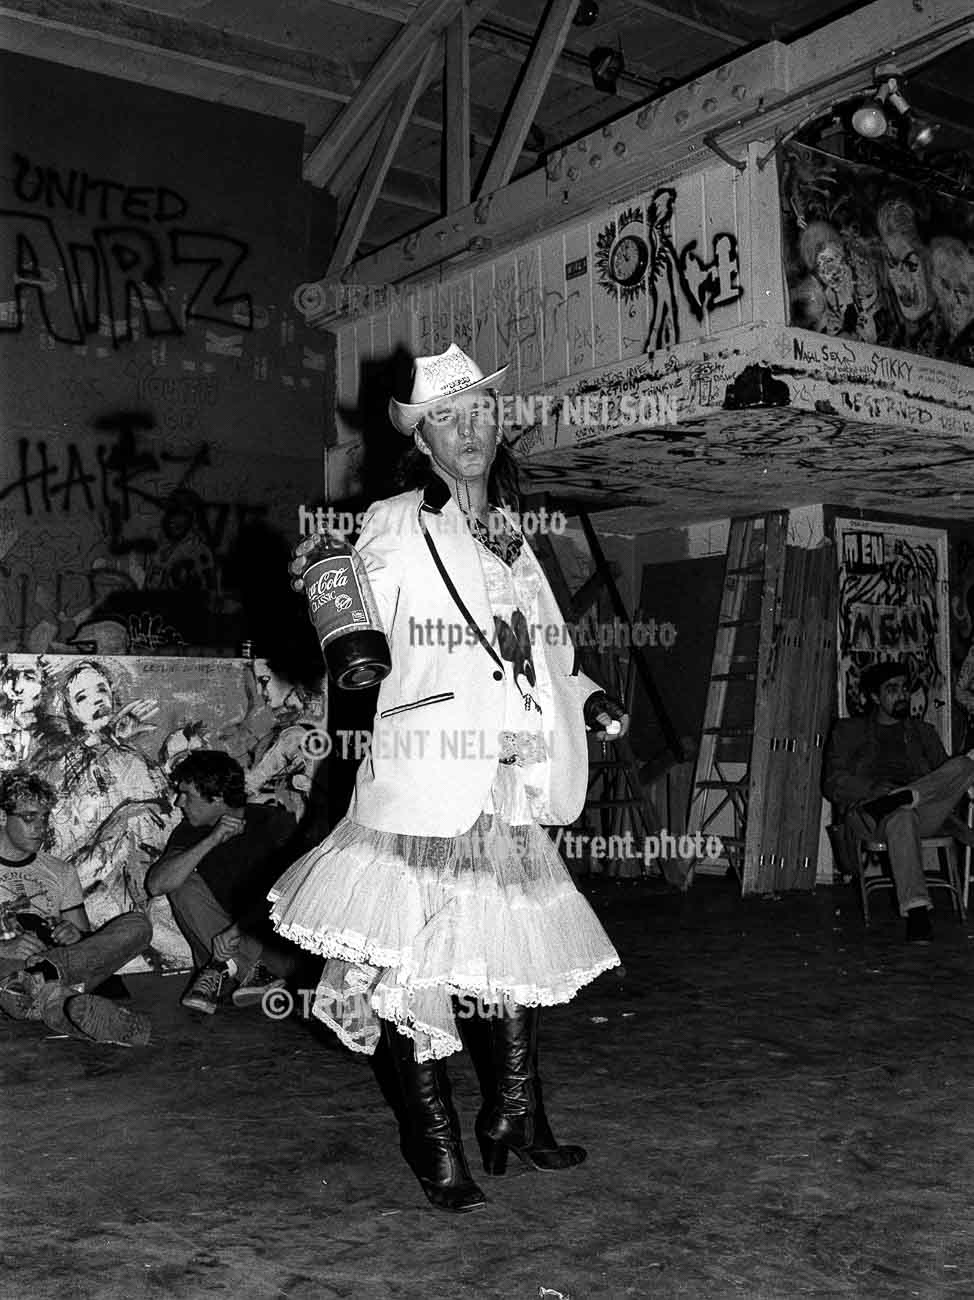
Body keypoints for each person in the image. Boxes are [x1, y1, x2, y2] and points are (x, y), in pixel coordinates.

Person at [268, 342, 629, 1214]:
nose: (470, 429)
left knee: (508, 967)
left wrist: (584, 696)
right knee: (410, 974)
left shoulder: (516, 531)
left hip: (509, 789)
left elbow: (539, 655)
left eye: (481, 412)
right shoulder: (396, 520)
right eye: (448, 417)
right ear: (422, 438)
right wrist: (320, 587)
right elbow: (358, 609)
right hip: (428, 788)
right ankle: (434, 1145)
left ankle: (516, 1119)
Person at [823, 661, 974, 943]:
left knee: (964, 765)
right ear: (874, 697)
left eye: (905, 688)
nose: (903, 695)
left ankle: (907, 795)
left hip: (921, 809)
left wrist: (917, 794)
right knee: (901, 818)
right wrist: (873, 788)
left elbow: (945, 777)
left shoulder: (923, 732)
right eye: (892, 690)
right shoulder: (849, 731)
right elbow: (833, 783)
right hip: (871, 815)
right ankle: (917, 913)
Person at [0, 770, 152, 1045]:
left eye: (44, 817)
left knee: (138, 925)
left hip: (60, 962)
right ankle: (69, 1005)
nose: (40, 827)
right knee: (13, 977)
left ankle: (41, 987)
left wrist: (72, 934)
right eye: (29, 817)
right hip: (7, 963)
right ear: (2, 817)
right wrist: (4, 949)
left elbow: (84, 939)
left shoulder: (60, 871)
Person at [146, 750, 297, 1014]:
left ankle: (241, 968)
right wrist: (213, 839)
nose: (179, 802)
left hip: (273, 953)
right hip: (217, 956)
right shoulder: (190, 831)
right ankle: (244, 970)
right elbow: (157, 885)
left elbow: (294, 891)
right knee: (180, 881)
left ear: (217, 798)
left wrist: (238, 930)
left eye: (187, 795)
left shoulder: (272, 822)